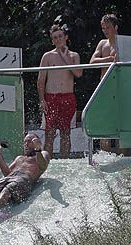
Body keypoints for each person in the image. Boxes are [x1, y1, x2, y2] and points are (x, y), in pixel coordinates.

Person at [37, 24, 82, 159]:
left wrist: (65, 56)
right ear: (52, 40)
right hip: (51, 97)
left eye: (60, 36)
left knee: (65, 133)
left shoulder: (74, 56)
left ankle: (65, 162)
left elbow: (78, 73)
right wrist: (42, 100)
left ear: (66, 37)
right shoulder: (48, 56)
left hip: (68, 98)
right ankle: (47, 164)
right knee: (49, 134)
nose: (58, 40)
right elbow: (41, 80)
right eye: (55, 38)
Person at [89, 14, 119, 152]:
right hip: (104, 85)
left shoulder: (122, 43)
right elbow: (92, 62)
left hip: (119, 85)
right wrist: (108, 59)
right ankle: (105, 154)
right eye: (103, 28)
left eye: (108, 27)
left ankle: (122, 154)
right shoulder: (102, 43)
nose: (105, 30)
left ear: (116, 27)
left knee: (121, 120)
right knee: (104, 121)